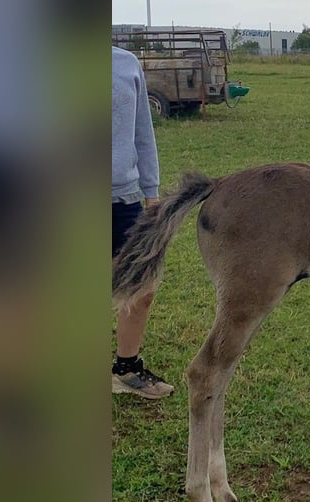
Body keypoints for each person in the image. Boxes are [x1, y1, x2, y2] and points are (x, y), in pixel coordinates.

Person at [111, 46, 173, 399]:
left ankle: (126, 369)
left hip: (124, 198)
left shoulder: (126, 63)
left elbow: (142, 134)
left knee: (141, 288)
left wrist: (151, 192)